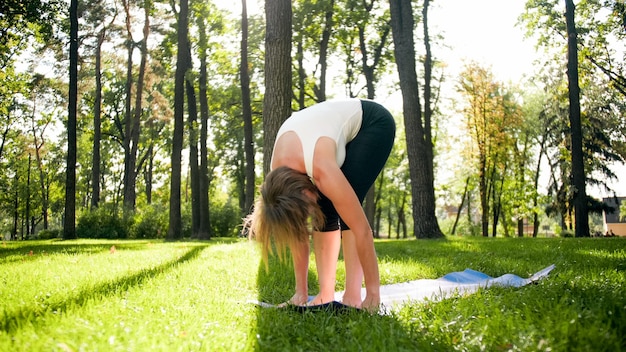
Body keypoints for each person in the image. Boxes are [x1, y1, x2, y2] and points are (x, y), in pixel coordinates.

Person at [247, 98, 395, 311]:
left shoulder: (321, 168)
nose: (308, 211)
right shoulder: (277, 181)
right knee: (323, 211)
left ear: (301, 189)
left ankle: (353, 296)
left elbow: (362, 230)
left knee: (347, 212)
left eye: (305, 206)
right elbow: (298, 231)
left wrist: (373, 294)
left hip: (372, 123)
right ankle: (325, 294)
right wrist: (301, 293)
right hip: (323, 134)